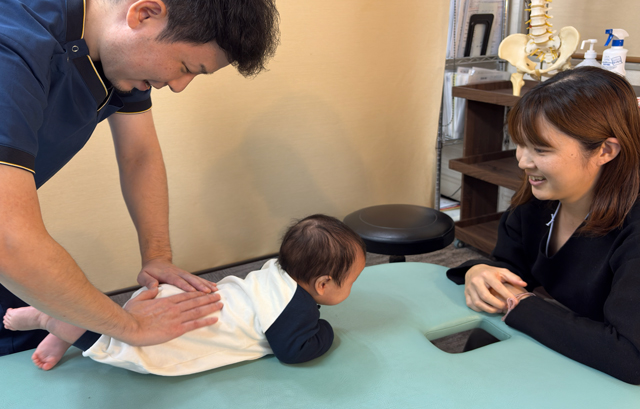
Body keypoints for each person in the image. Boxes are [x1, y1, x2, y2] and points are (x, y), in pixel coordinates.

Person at [0, 0, 280, 355]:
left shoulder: (118, 56)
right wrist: (132, 327)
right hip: (9, 236)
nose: (179, 86)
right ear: (144, 14)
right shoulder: (12, 52)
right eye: (185, 67)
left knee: (34, 326)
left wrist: (157, 256)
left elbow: (139, 154)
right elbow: (9, 242)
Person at [446, 66, 640, 384]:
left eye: (540, 149)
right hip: (568, 345)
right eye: (520, 143)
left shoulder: (633, 228)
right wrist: (479, 271)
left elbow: (630, 357)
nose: (523, 161)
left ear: (605, 150)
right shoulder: (540, 200)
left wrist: (523, 305)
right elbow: (509, 266)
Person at [3, 214, 366, 375]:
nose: (351, 287)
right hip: (184, 328)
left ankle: (66, 328)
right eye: (350, 281)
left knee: (117, 320)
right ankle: (50, 318)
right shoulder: (296, 309)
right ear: (322, 285)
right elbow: (294, 352)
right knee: (121, 347)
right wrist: (326, 333)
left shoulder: (276, 269)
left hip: (172, 297)